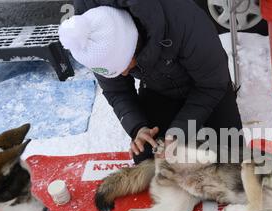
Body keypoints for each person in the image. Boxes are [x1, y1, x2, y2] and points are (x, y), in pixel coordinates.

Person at [59, 0, 243, 163]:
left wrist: (180, 129)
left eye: (124, 65)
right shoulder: (90, 39)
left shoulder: (185, 21)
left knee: (234, 156)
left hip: (206, 88)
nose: (124, 74)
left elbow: (211, 85)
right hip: (159, 88)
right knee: (147, 156)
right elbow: (117, 91)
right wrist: (138, 128)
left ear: (133, 42)